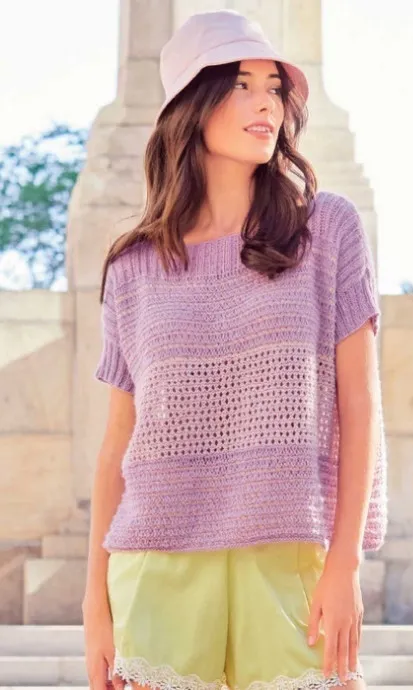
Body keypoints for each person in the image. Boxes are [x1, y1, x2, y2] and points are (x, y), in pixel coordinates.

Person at [82, 9, 387, 690]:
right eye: (242, 85)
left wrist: (345, 565)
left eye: (274, 87)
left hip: (287, 555)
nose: (265, 104)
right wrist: (94, 605)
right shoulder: (134, 267)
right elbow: (116, 446)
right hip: (156, 562)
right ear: (193, 106)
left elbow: (360, 407)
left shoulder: (327, 230)